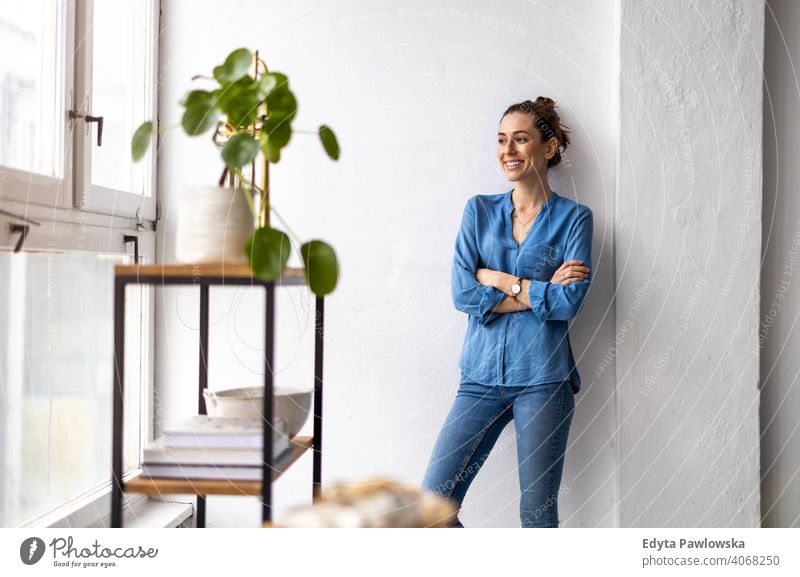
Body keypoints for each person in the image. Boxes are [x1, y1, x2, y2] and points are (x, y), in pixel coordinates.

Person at [421, 97, 594, 528]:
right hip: (478, 378)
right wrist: (538, 291)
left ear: (548, 148)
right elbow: (463, 293)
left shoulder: (575, 219)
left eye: (521, 139)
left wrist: (500, 280)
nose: (508, 150)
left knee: (536, 516)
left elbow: (568, 303)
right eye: (502, 140)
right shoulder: (478, 211)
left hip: (544, 380)